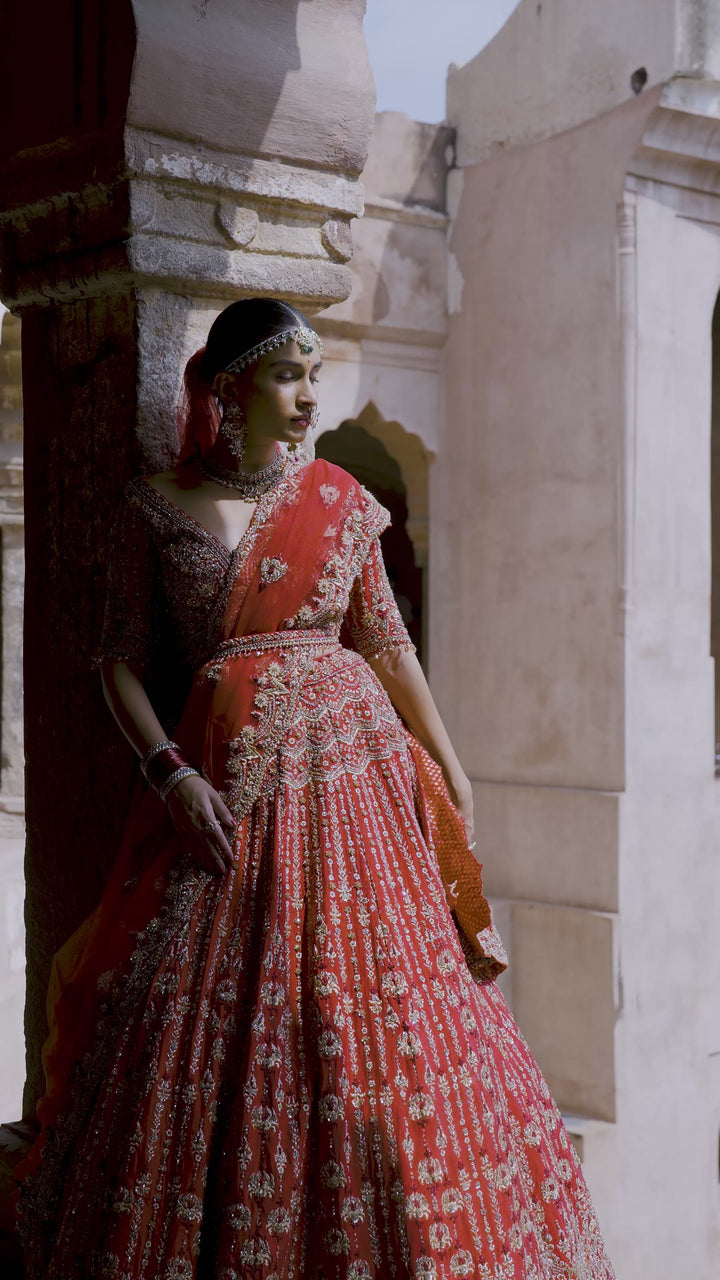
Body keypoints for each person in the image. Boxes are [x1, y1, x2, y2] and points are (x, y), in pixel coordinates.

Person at [14, 298, 615, 1280]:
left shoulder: (337, 498)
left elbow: (384, 644)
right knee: (216, 1009)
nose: (306, 398)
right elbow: (117, 659)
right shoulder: (155, 507)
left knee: (378, 1010)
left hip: (355, 792)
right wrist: (170, 777)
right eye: (287, 377)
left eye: (313, 378)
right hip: (224, 789)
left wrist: (453, 765)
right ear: (229, 387)